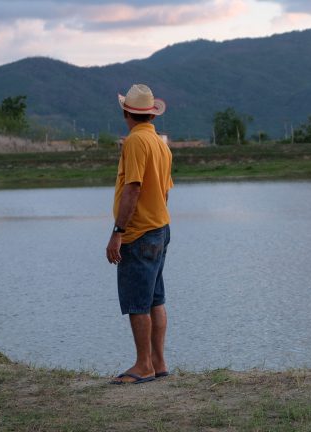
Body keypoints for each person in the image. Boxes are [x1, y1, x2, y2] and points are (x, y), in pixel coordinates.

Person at [106, 84, 173, 385]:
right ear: (149, 113)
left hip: (139, 233)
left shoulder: (134, 142)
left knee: (137, 302)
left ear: (126, 113)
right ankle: (158, 363)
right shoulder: (160, 143)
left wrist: (118, 232)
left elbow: (132, 188)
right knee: (155, 299)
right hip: (160, 228)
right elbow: (165, 191)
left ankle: (143, 365)